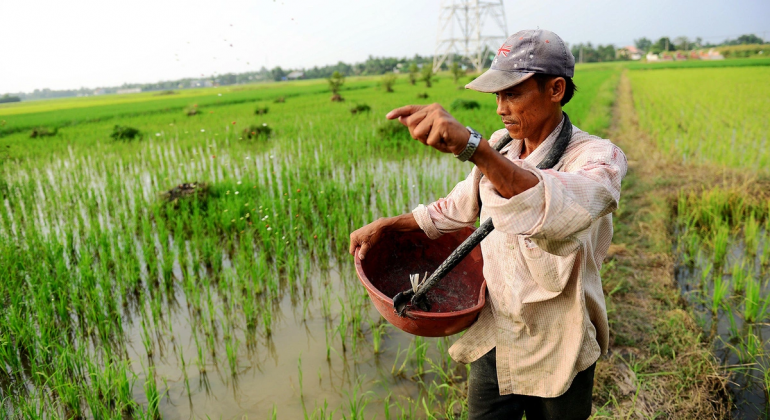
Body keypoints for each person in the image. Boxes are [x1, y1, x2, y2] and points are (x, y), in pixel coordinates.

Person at [349, 29, 627, 420]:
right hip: (498, 329)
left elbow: (562, 209)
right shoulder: (501, 144)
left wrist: (473, 148)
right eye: (497, 96)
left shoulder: (598, 157)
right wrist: (390, 224)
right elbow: (459, 205)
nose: (500, 108)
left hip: (560, 337)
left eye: (512, 93)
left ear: (556, 89)